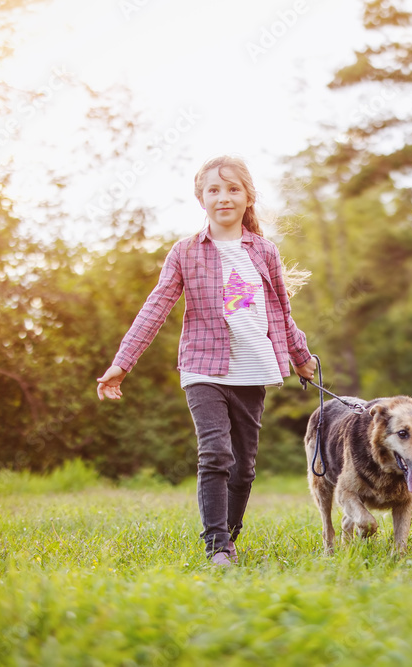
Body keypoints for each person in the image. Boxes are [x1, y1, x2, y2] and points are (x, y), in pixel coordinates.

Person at [96, 155, 316, 567]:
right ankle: (216, 546)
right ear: (201, 199)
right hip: (203, 367)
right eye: (214, 190)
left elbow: (282, 313)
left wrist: (301, 357)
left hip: (252, 368)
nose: (224, 197)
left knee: (244, 467)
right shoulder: (185, 253)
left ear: (248, 196)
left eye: (233, 189)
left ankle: (229, 538)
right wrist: (121, 363)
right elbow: (155, 308)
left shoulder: (264, 251)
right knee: (215, 452)